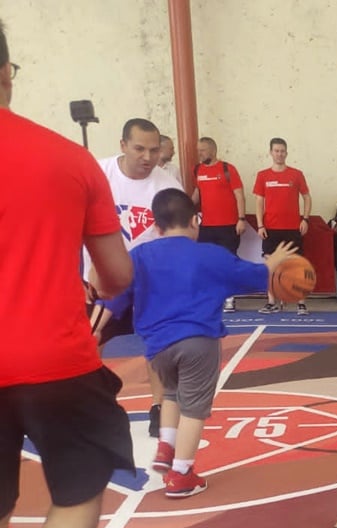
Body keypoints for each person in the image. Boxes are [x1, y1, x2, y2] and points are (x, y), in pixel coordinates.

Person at [0, 20, 135, 528]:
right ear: (8, 73)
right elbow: (114, 276)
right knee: (83, 484)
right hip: (56, 358)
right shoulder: (68, 159)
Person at [103, 189, 297, 496]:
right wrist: (273, 263)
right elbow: (253, 276)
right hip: (198, 341)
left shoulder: (139, 255)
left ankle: (166, 447)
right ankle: (181, 474)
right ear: (195, 221)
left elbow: (116, 292)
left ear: (156, 226)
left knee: (170, 393)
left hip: (157, 346)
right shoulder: (209, 254)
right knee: (194, 408)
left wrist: (99, 323)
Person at [88, 118, 181, 438]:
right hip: (102, 280)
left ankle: (158, 407)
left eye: (154, 150)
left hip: (152, 284)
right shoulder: (97, 174)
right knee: (89, 340)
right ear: (123, 145)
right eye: (139, 148)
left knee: (158, 346)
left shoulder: (168, 187)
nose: (147, 157)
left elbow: (181, 238)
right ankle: (91, 405)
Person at [254, 137, 312, 315]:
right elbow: (259, 202)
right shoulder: (263, 175)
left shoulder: (296, 174)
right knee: (271, 266)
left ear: (286, 153)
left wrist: (305, 219)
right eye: (276, 150)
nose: (279, 154)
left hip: (293, 228)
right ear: (271, 152)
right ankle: (271, 302)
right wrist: (260, 225)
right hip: (270, 229)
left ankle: (301, 303)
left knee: (296, 266)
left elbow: (307, 197)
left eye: (282, 151)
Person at [191, 136, 247, 312]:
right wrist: (183, 207)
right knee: (207, 263)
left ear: (213, 150)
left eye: (203, 150)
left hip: (229, 225)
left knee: (227, 262)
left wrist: (241, 218)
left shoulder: (227, 169)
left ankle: (229, 298)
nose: (200, 154)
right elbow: (196, 194)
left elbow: (239, 195)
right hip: (206, 226)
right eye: (198, 150)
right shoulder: (198, 170)